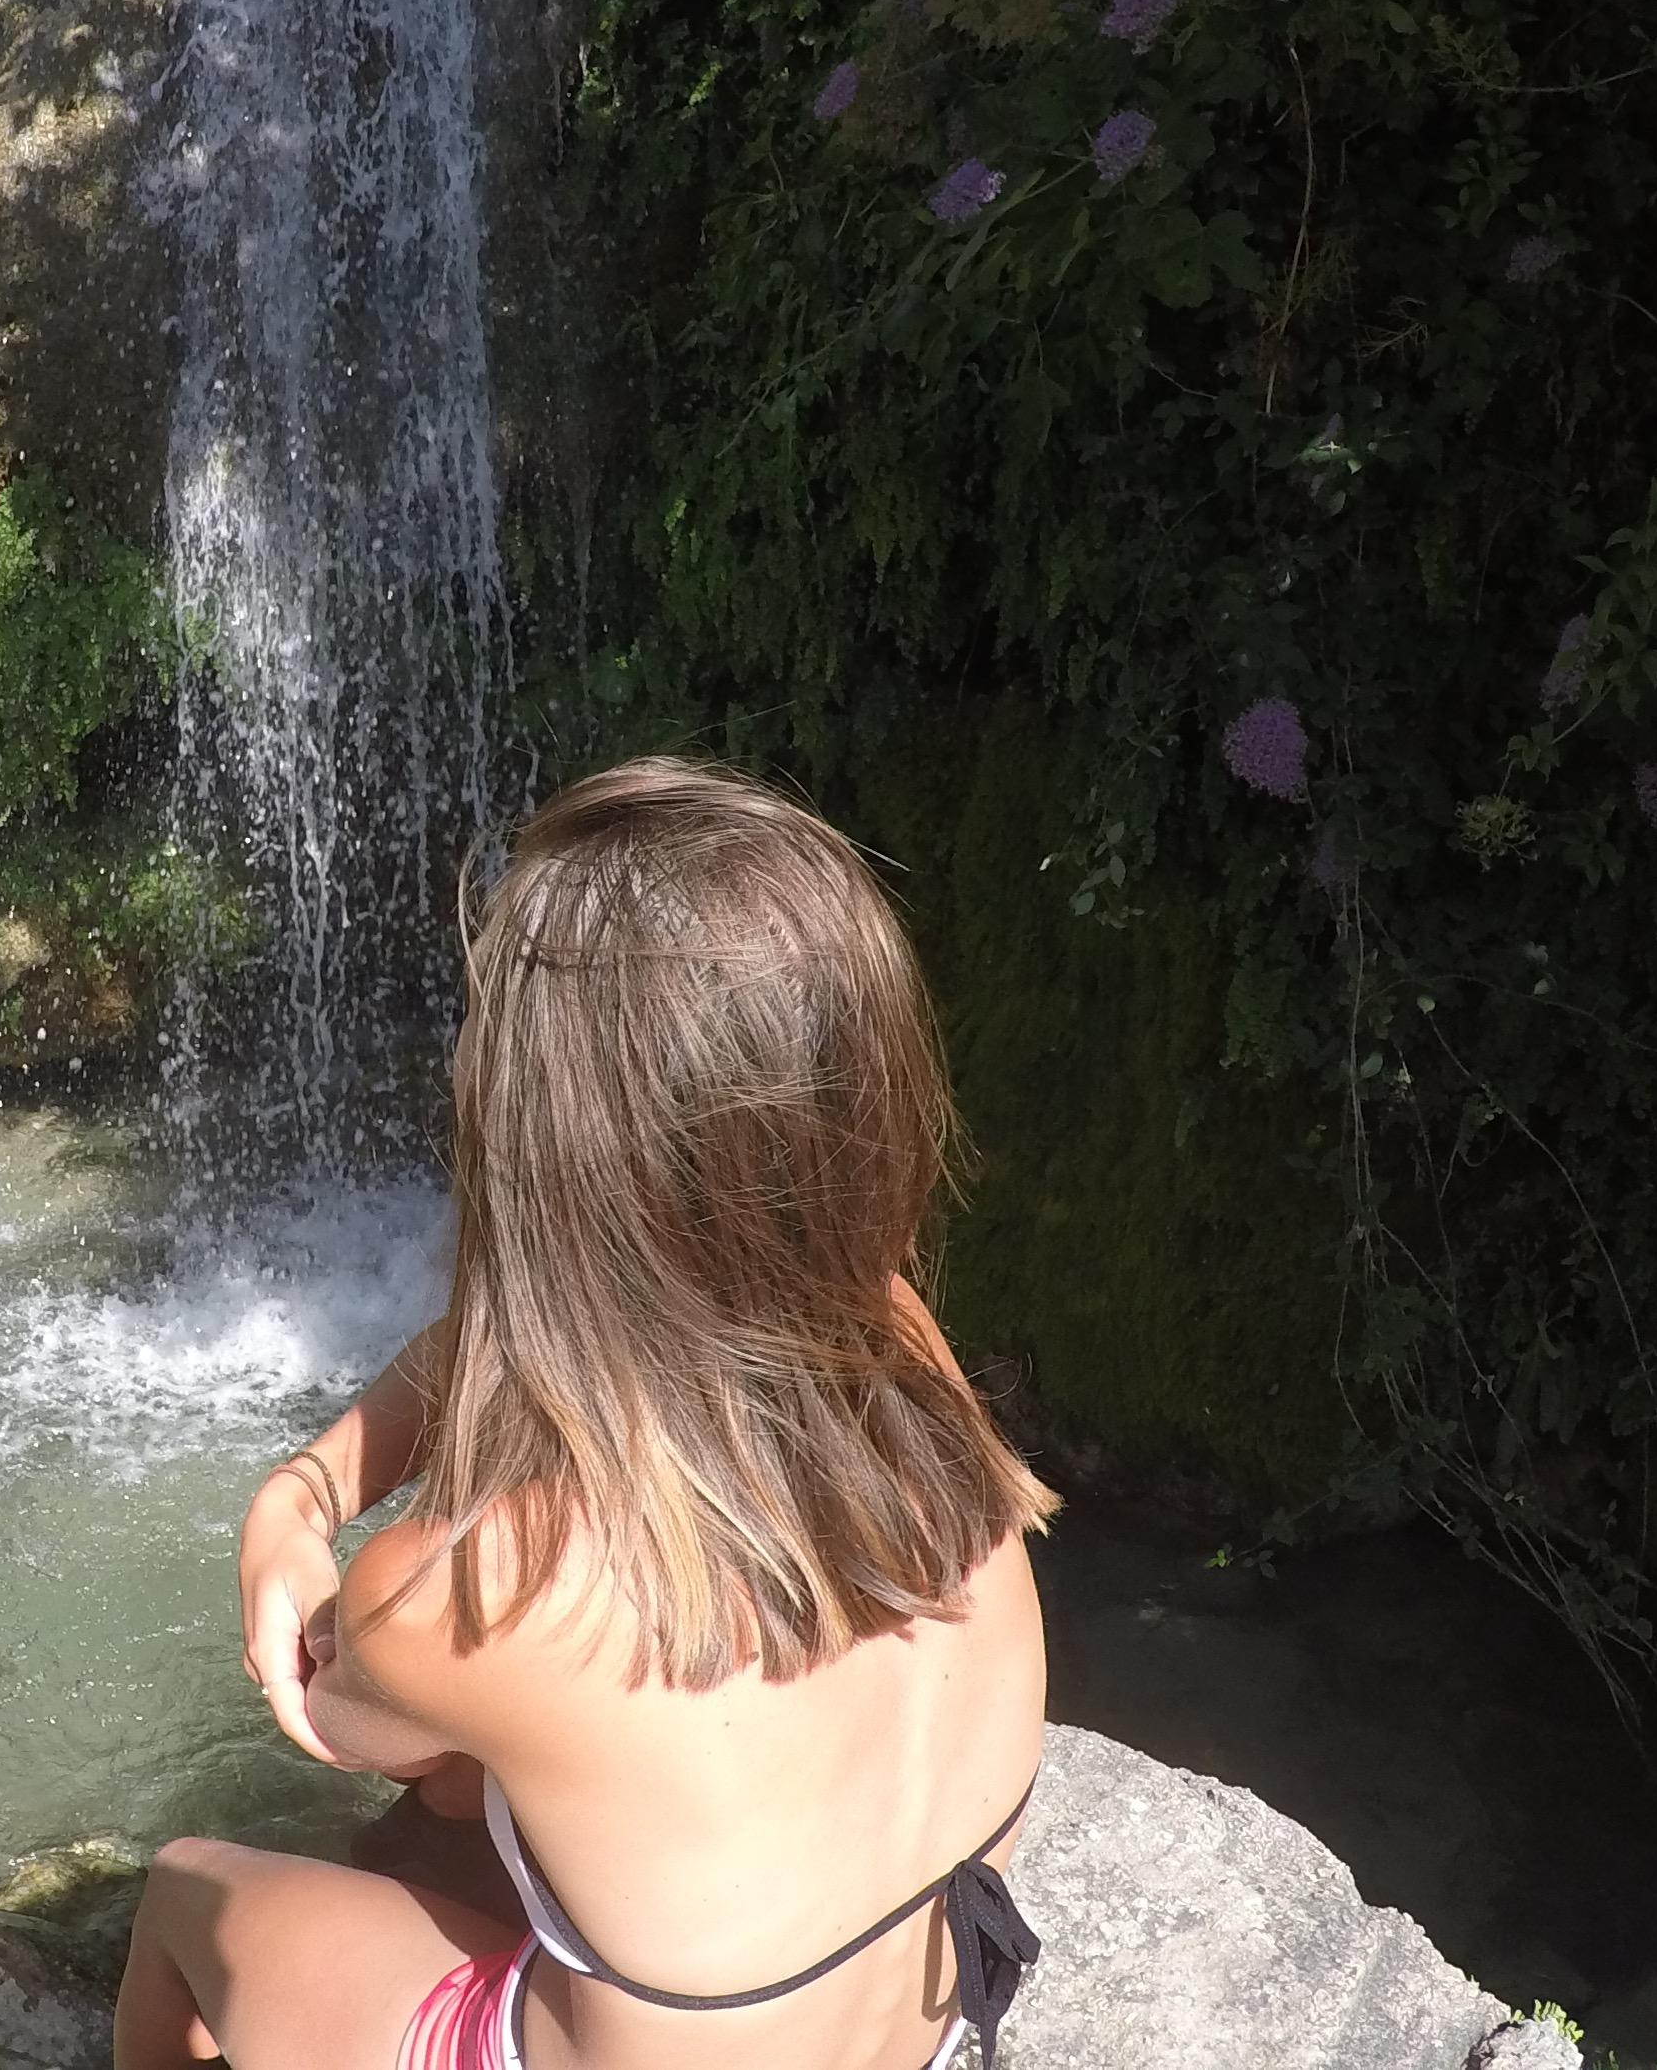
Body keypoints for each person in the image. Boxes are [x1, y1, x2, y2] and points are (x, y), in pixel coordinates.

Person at [116, 759, 1058, 2070]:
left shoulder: (478, 1589)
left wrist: (294, 1525)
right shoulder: (904, 1350)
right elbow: (534, 1354)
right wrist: (316, 1482)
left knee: (186, 1889)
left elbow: (351, 1716)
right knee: (488, 1780)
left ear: (534, 1156)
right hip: (933, 2033)